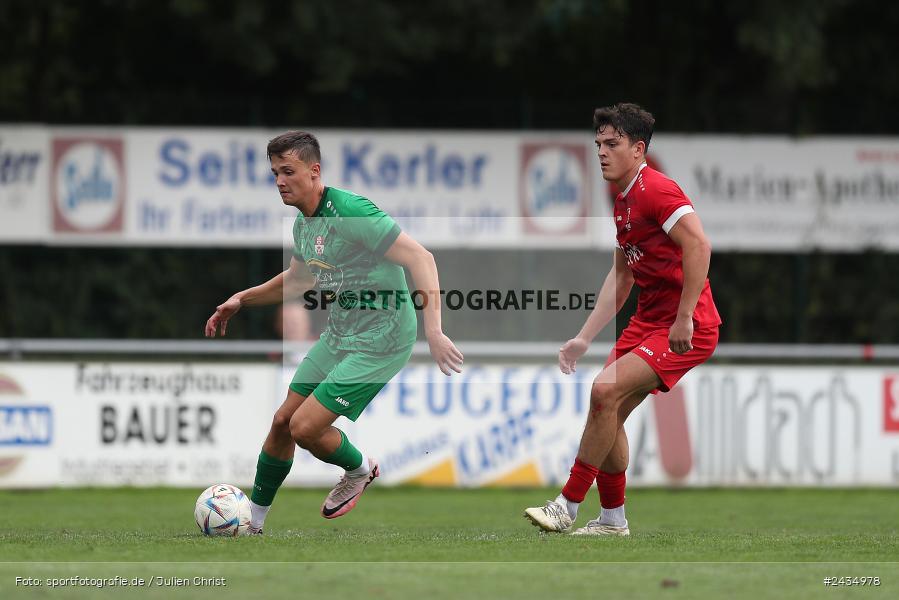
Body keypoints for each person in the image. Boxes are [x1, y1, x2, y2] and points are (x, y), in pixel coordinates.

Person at [205, 131, 463, 533]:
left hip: (383, 337)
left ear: (314, 171)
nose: (279, 181)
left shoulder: (350, 211)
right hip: (340, 334)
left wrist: (434, 330)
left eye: (288, 171)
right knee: (281, 422)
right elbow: (296, 281)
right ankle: (250, 524)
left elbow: (421, 258)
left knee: (304, 428)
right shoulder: (305, 226)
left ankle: (360, 470)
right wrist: (242, 299)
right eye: (274, 173)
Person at [524, 103, 721, 536]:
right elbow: (622, 275)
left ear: (638, 149)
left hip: (684, 325)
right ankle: (613, 520)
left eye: (612, 144)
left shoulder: (657, 190)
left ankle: (567, 505)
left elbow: (699, 246)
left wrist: (685, 316)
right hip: (647, 322)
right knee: (606, 410)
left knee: (603, 392)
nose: (601, 152)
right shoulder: (623, 199)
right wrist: (583, 338)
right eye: (598, 144)